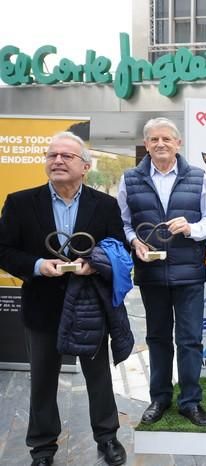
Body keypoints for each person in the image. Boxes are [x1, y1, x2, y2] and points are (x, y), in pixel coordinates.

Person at [0, 132, 129, 466]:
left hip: (89, 306)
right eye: (51, 155)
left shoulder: (106, 205)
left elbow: (118, 248)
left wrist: (94, 264)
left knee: (98, 377)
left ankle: (108, 438)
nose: (57, 160)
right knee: (42, 380)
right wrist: (39, 265)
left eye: (66, 156)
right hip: (42, 306)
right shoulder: (20, 202)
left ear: (85, 166)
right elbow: (4, 250)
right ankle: (42, 449)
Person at [117, 117, 206, 427]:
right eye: (154, 139)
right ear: (146, 145)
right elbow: (121, 223)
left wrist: (191, 228)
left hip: (188, 273)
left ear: (178, 143)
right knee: (158, 338)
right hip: (151, 274)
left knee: (189, 340)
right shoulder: (130, 179)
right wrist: (134, 241)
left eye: (167, 139)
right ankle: (159, 398)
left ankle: (190, 401)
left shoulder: (198, 177)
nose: (160, 144)